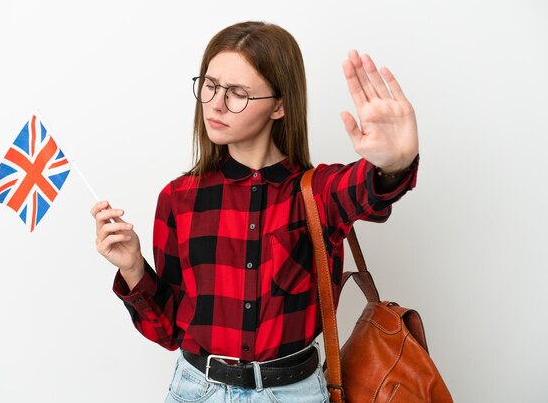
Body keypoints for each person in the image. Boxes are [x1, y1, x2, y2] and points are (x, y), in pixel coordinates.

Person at [91, 21, 419, 402]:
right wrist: (132, 267)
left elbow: (370, 189)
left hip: (294, 392)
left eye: (237, 94)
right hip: (197, 390)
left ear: (279, 105)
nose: (215, 103)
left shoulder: (317, 192)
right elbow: (169, 332)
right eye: (210, 86)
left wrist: (393, 165)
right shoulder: (179, 198)